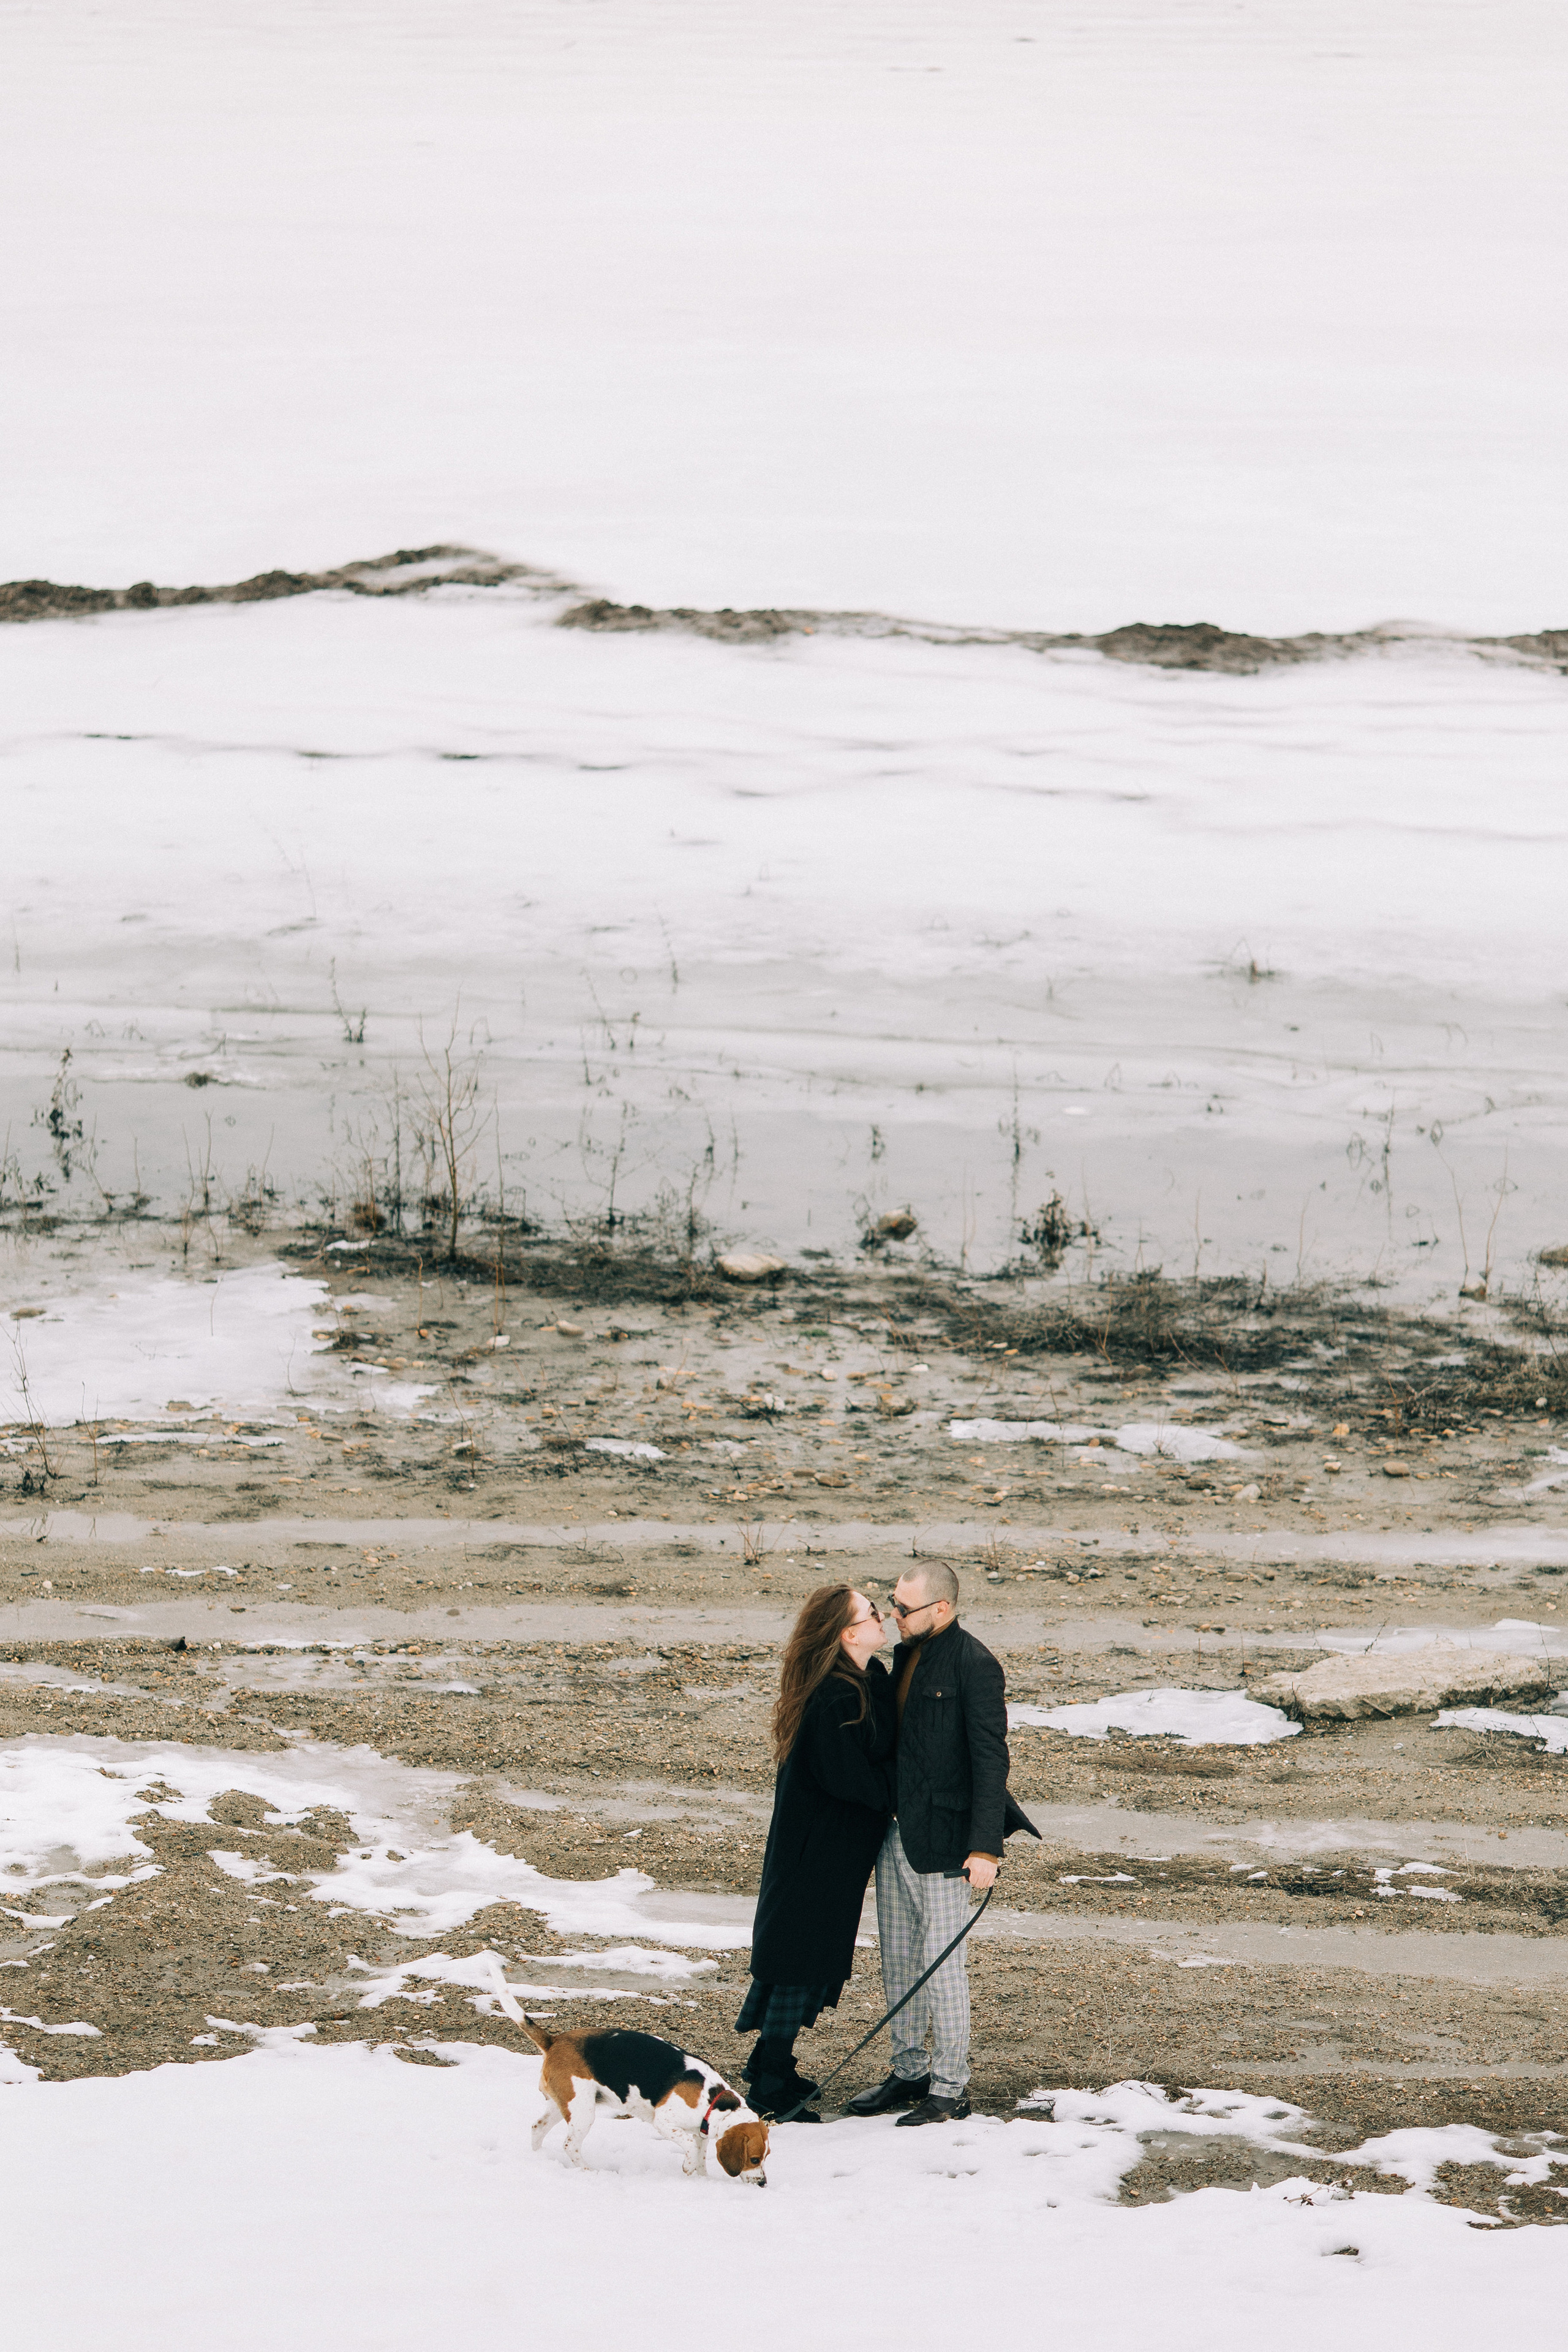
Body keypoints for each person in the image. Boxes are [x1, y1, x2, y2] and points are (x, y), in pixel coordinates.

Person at [847, 1559, 1039, 2127]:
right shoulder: (907, 1653)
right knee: (900, 1957)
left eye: (904, 1609)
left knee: (942, 1963)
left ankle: (950, 2090)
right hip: (898, 1832)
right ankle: (909, 2072)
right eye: (894, 1605)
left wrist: (986, 1849)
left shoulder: (975, 1665)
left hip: (949, 1841)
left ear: (942, 1609)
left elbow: (990, 1758)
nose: (895, 1616)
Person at [737, 1585, 895, 2120]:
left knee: (810, 1955)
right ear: (849, 1633)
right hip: (816, 1851)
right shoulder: (834, 1693)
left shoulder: (863, 1679)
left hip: (832, 1846)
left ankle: (768, 2063)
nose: (883, 1617)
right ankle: (770, 2081)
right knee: (800, 1960)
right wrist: (901, 1796)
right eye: (872, 1613)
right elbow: (846, 1775)